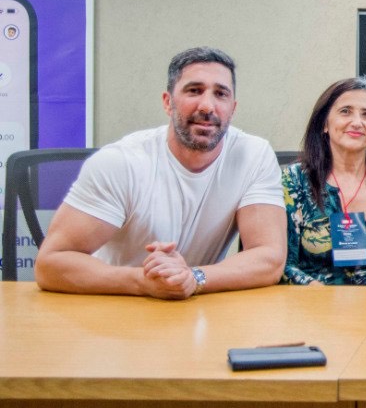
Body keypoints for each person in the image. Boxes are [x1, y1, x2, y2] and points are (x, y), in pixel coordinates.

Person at [34, 47, 285, 298]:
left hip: (195, 310)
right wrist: (143, 282)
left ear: (233, 108)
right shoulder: (120, 162)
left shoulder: (254, 156)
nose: (207, 106)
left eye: (220, 94)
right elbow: (51, 264)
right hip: (113, 306)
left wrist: (193, 277)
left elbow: (268, 259)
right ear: (168, 102)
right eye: (194, 91)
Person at [281, 77, 366, 285]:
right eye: (345, 111)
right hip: (312, 307)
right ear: (325, 123)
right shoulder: (294, 180)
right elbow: (283, 263)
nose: (357, 122)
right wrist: (319, 296)